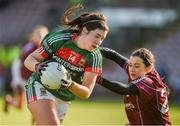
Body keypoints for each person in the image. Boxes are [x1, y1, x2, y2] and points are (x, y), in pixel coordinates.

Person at [24, 4, 109, 125]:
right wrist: (37, 67)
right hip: (40, 85)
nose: (99, 42)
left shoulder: (94, 57)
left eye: (102, 38)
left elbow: (86, 92)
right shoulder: (60, 39)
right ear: (85, 30)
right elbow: (29, 59)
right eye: (97, 36)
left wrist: (70, 83)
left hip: (63, 98)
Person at [97, 47, 171, 125]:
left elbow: (123, 89)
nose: (131, 69)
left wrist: (97, 78)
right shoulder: (140, 72)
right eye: (130, 65)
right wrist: (92, 49)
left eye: (136, 66)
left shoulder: (149, 82)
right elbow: (114, 56)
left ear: (148, 68)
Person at [4, 25, 49, 112]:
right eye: (39, 34)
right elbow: (21, 61)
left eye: (43, 34)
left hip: (32, 78)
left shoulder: (43, 47)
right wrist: (17, 79)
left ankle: (9, 101)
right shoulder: (30, 47)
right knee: (22, 106)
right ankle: (9, 101)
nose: (41, 37)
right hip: (22, 78)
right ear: (33, 36)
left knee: (36, 104)